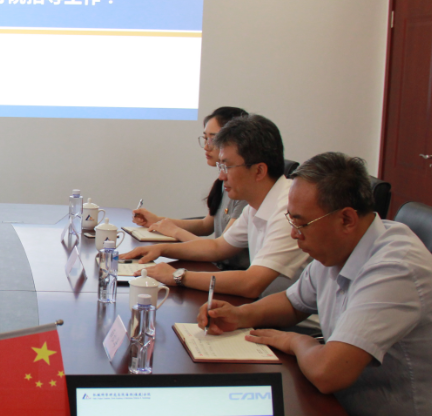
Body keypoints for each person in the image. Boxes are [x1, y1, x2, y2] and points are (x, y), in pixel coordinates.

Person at [198, 152, 432, 416]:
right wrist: (241, 315)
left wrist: (297, 342)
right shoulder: (342, 246)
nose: (294, 233)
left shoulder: (394, 267)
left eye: (301, 223)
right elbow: (294, 302)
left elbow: (328, 373)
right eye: (291, 220)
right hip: (355, 415)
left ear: (346, 219)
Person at [122, 114, 309, 298]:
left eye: (227, 167)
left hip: (291, 318)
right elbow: (217, 247)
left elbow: (251, 284)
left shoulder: (288, 211)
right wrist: (161, 249)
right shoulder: (255, 205)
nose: (221, 176)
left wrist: (177, 276)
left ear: (259, 170)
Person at [131, 106, 250, 270]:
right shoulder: (225, 180)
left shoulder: (244, 190)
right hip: (217, 267)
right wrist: (158, 221)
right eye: (205, 138)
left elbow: (218, 250)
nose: (206, 146)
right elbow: (206, 225)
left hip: (230, 272)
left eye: (213, 139)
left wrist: (175, 231)